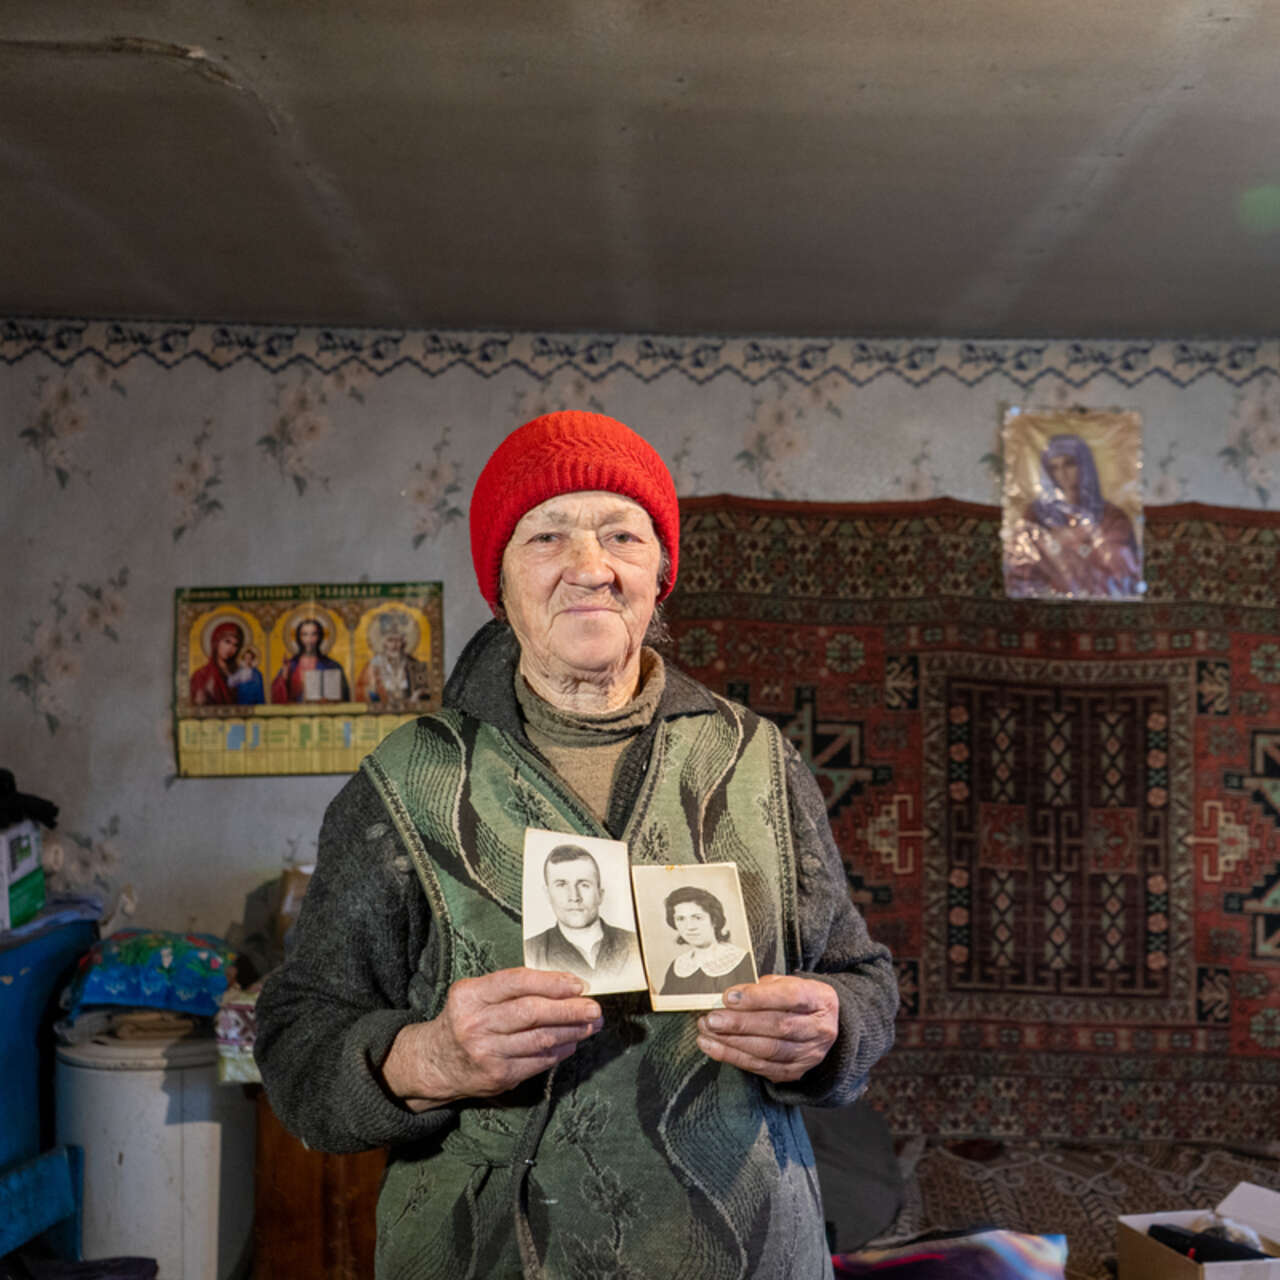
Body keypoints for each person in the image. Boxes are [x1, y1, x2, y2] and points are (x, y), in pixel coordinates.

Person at [254, 410, 899, 1280]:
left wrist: (830, 1030)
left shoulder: (755, 760)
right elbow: (296, 1046)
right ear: (501, 580)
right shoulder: (408, 783)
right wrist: (432, 1058)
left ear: (659, 574)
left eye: (622, 536)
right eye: (547, 535)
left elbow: (862, 983)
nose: (590, 568)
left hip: (747, 1254)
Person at [1006, 432, 1142, 598]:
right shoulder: (1035, 514)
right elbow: (1021, 568)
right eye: (1054, 467)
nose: (1062, 473)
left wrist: (1065, 542)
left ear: (1084, 465)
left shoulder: (1112, 517)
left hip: (1100, 605)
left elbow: (1121, 570)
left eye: (1069, 464)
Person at [525, 843, 642, 984]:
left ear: (600, 894)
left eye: (584, 885)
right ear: (547, 894)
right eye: (561, 885)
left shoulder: (633, 944)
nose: (574, 897)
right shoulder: (533, 951)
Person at [660, 884, 755, 995]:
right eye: (681, 919)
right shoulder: (678, 966)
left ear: (714, 920)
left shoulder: (742, 960)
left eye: (697, 918)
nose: (690, 927)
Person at [353, 611, 431, 704]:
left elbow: (426, 697)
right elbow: (360, 695)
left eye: (398, 640)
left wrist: (419, 696)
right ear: (383, 643)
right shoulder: (372, 666)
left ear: (404, 643)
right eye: (390, 640)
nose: (394, 645)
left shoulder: (415, 666)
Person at [270, 616, 351, 703]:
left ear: (320, 637)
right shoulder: (291, 665)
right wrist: (284, 678)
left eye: (314, 634)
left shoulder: (331, 665)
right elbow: (275, 698)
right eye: (305, 634)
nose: (309, 639)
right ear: (299, 637)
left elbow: (345, 696)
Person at [189, 620, 243, 706]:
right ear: (216, 641)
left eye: (235, 645)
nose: (230, 648)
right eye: (227, 641)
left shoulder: (240, 673)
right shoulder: (201, 675)